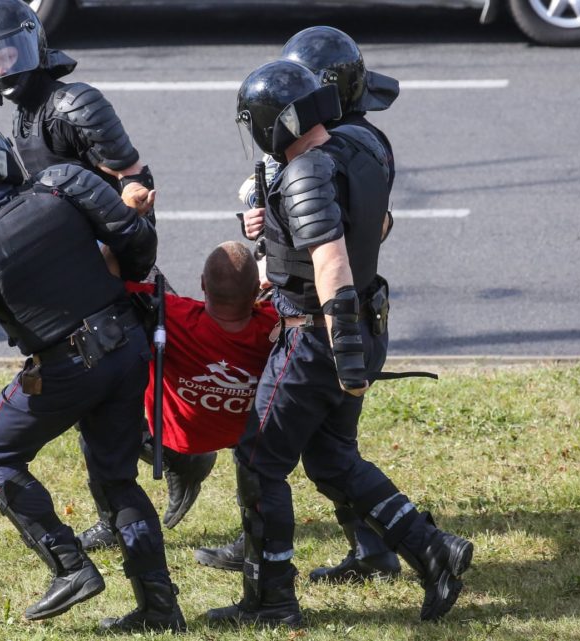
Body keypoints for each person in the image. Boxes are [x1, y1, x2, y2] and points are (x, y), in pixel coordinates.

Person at [206, 60, 472, 628]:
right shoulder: (361, 149)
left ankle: (271, 600)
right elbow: (374, 228)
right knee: (331, 460)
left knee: (259, 460)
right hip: (363, 325)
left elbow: (329, 261)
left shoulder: (306, 171)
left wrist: (341, 351)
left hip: (318, 337)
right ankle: (432, 550)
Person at [0, 120, 184, 632]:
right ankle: (160, 610)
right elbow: (137, 244)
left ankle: (70, 567)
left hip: (67, 370)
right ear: (1, 159)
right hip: (128, 347)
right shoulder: (64, 184)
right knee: (117, 483)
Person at [200, 25, 402, 585]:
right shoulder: (351, 143)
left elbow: (361, 233)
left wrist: (290, 247)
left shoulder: (339, 150)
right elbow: (369, 223)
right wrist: (264, 223)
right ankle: (380, 549)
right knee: (331, 449)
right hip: (350, 309)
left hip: (326, 318)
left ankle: (267, 565)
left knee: (272, 451)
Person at [75, 241, 280, 550]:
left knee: (93, 417)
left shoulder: (173, 317)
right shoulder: (274, 322)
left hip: (180, 435)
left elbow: (106, 276)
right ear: (256, 291)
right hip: (247, 434)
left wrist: (125, 219)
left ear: (202, 284)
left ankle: (113, 520)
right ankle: (252, 531)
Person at [0, 0, 155, 209]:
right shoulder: (22, 118)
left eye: (9, 56)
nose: (0, 70)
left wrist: (127, 212)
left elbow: (132, 174)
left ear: (30, 47)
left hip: (107, 232)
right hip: (62, 234)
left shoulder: (76, 105)